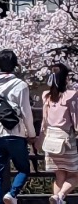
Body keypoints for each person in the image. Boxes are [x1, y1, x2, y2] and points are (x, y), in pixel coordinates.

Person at [0, 49, 36, 204]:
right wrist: (31, 134)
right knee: (23, 168)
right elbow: (26, 112)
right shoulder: (20, 84)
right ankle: (12, 194)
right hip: (14, 133)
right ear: (15, 64)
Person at [37, 63, 78, 204]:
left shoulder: (46, 96)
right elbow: (75, 120)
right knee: (75, 175)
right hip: (65, 139)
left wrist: (39, 139)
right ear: (65, 78)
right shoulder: (70, 96)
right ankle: (59, 196)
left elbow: (44, 121)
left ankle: (57, 198)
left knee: (59, 175)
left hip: (50, 140)